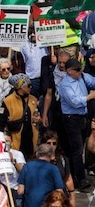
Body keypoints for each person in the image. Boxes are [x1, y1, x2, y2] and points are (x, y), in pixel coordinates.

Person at [55, 58, 95, 190]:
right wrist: (90, 97)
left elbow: (93, 82)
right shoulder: (65, 85)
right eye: (77, 70)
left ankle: (75, 175)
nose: (80, 71)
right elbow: (75, 102)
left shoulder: (82, 76)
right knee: (77, 149)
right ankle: (80, 179)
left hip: (83, 117)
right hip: (71, 118)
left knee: (80, 146)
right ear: (69, 71)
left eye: (80, 68)